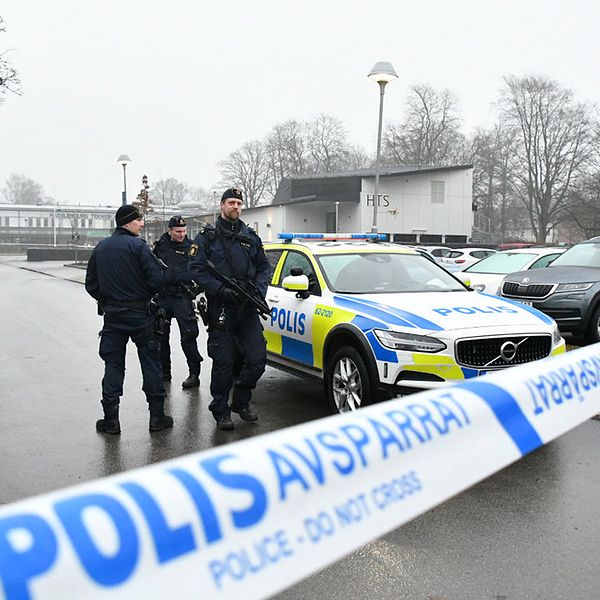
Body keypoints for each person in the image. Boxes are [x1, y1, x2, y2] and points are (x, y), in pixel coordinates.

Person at [85, 204, 176, 434]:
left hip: (113, 317)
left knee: (113, 365)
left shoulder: (101, 248)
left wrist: (109, 299)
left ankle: (111, 420)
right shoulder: (139, 247)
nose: (142, 224)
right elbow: (157, 280)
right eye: (139, 220)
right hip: (141, 317)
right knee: (151, 364)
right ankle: (157, 417)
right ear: (127, 222)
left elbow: (91, 285)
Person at [190, 188, 271, 431]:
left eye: (239, 203)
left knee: (257, 359)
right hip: (222, 308)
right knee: (223, 363)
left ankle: (241, 401)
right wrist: (219, 290)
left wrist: (257, 291)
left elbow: (264, 269)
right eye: (231, 202)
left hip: (247, 307)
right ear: (222, 205)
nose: (236, 207)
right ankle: (221, 409)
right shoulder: (207, 238)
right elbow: (196, 270)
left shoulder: (250, 238)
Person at [152, 216, 203, 388]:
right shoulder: (160, 246)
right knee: (161, 337)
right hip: (164, 297)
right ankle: (164, 373)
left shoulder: (192, 248)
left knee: (189, 336)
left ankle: (194, 374)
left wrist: (195, 288)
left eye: (184, 231)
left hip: (182, 297)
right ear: (170, 230)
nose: (181, 234)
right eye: (178, 231)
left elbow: (199, 271)